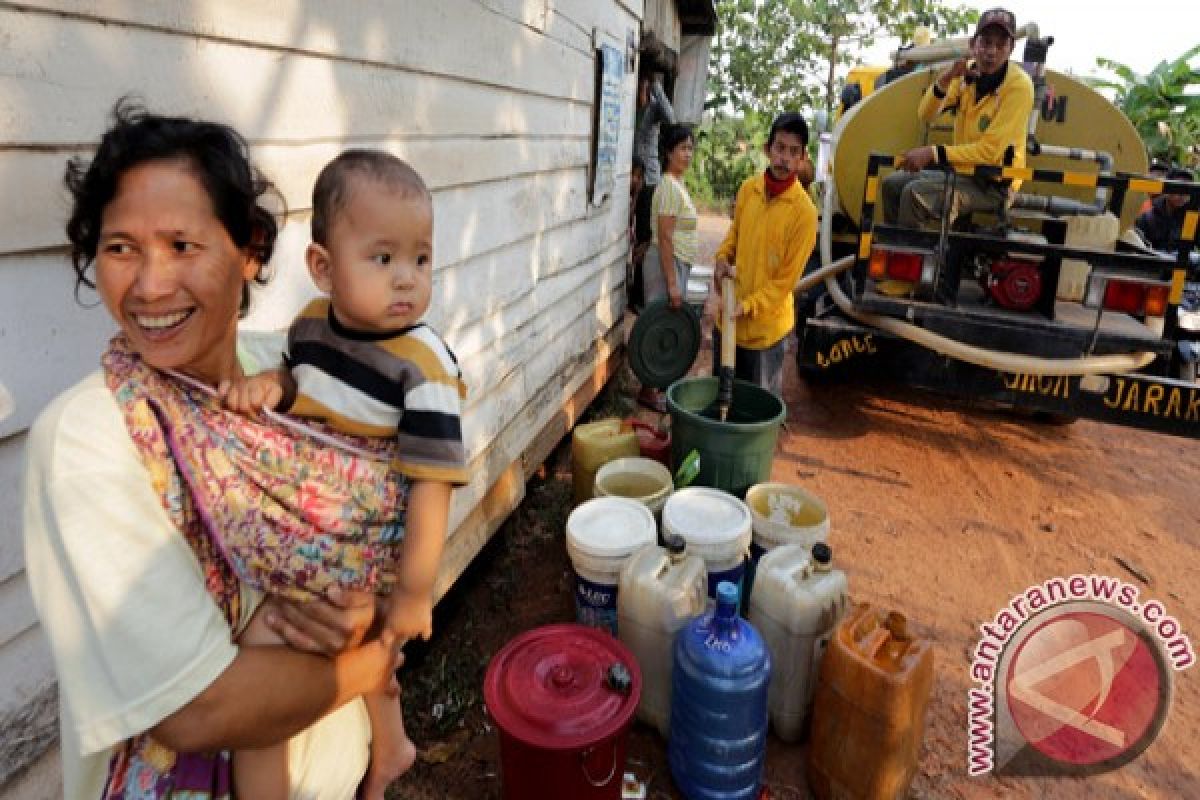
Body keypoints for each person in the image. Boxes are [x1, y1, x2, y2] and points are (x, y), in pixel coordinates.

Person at [23, 101, 400, 800]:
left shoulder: (294, 379)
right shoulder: (88, 439)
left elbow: (387, 523)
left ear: (251, 249)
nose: (149, 285)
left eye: (182, 245)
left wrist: (367, 609)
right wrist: (372, 659)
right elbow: (201, 708)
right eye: (119, 248)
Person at [213, 149, 468, 798]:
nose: (408, 279)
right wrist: (275, 385)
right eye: (383, 258)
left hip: (373, 539)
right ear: (323, 268)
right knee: (327, 654)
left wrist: (414, 590)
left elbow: (433, 484)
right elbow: (310, 386)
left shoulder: (425, 365)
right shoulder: (309, 330)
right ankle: (392, 746)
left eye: (421, 258)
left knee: (266, 657)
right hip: (322, 523)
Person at [881, 7, 1034, 229]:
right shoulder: (967, 75)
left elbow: (990, 152)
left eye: (1000, 45)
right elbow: (926, 115)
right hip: (963, 172)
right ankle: (895, 252)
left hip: (994, 184)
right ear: (974, 45)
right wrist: (946, 78)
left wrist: (933, 153)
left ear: (1011, 49)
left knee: (915, 195)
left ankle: (913, 259)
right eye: (986, 42)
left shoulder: (1018, 87)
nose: (991, 51)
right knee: (892, 184)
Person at [712, 113, 819, 397]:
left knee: (755, 418)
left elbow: (785, 283)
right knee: (719, 405)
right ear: (768, 149)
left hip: (765, 335)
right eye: (780, 148)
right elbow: (734, 237)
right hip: (729, 323)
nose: (784, 158)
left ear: (803, 158)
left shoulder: (805, 214)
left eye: (793, 152)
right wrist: (722, 260)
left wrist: (747, 306)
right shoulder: (749, 190)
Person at [638, 123, 698, 411]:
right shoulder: (669, 187)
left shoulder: (677, 184)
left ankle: (653, 388)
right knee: (658, 326)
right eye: (682, 148)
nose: (688, 153)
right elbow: (664, 237)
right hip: (666, 263)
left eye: (690, 148)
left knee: (662, 325)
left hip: (674, 263)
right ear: (668, 152)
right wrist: (673, 283)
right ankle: (649, 391)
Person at [634, 69, 676, 189]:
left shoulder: (655, 108)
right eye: (639, 87)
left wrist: (656, 87)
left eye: (643, 87)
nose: (640, 92)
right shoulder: (630, 108)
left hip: (649, 176)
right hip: (631, 176)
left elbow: (671, 119)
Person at [1136, 166, 1195, 252]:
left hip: (1184, 263)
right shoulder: (1147, 217)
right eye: (1178, 188)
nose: (1183, 194)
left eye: (1188, 190)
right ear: (1166, 190)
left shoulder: (1193, 217)